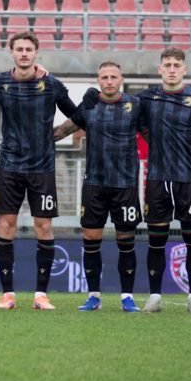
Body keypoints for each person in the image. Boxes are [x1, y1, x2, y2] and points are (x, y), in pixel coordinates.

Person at [0, 31, 78, 311]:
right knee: (5, 226)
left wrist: (57, 134)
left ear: (36, 53)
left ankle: (41, 295)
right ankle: (7, 294)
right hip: (9, 166)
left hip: (42, 167)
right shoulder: (0, 84)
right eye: (19, 49)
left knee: (44, 226)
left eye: (28, 49)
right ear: (11, 52)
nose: (24, 53)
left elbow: (77, 116)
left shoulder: (51, 84)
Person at [53, 61, 148, 313]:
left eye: (113, 76)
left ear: (121, 79)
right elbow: (62, 131)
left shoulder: (135, 106)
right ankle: (93, 296)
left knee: (126, 240)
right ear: (98, 80)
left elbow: (153, 137)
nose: (108, 81)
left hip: (125, 184)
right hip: (94, 184)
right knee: (91, 239)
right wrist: (33, 137)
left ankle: (127, 296)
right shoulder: (90, 105)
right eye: (104, 77)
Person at [138, 47, 191, 315]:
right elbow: (117, 101)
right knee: (156, 241)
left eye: (177, 64)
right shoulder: (146, 97)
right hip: (157, 179)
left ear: (185, 69)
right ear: (159, 69)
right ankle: (154, 297)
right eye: (167, 64)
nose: (172, 68)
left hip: (189, 179)